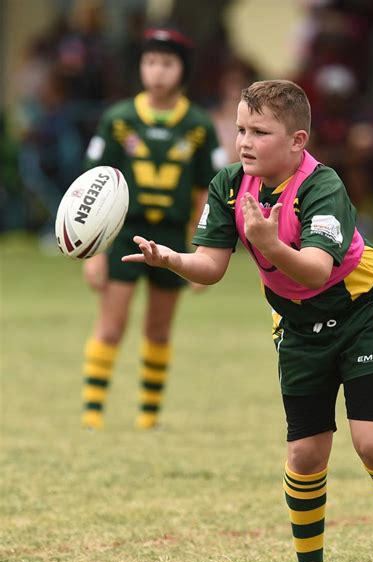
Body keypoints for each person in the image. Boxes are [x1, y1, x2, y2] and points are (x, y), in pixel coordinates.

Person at [122, 80, 373, 562]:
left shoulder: (323, 186)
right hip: (297, 324)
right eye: (241, 130)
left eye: (260, 132)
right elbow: (210, 266)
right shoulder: (229, 184)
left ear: (297, 140)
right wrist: (170, 260)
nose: (245, 142)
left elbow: (315, 269)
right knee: (305, 452)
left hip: (364, 313)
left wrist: (270, 244)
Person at [81, 26, 225, 431]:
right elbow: (92, 188)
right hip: (122, 236)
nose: (157, 71)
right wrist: (92, 256)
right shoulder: (118, 119)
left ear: (182, 70)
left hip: (173, 238)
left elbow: (207, 193)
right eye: (150, 62)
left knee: (158, 330)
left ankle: (149, 417)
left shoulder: (198, 125)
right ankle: (92, 414)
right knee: (111, 325)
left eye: (167, 63)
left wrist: (203, 251)